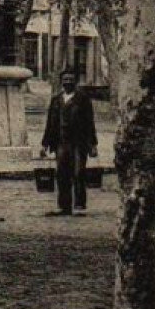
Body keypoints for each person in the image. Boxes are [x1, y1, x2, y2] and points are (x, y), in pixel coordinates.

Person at [40, 68, 97, 215]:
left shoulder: (83, 99)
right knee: (62, 173)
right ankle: (64, 206)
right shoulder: (56, 100)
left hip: (79, 142)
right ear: (61, 82)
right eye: (65, 80)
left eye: (71, 79)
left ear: (76, 82)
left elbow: (89, 122)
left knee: (78, 172)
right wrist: (45, 144)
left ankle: (79, 205)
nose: (68, 82)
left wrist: (93, 144)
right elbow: (50, 123)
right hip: (61, 141)